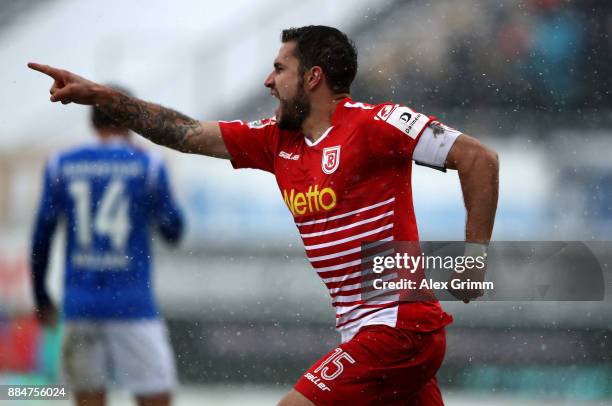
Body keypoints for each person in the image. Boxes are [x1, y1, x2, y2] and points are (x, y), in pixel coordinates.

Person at [29, 25, 498, 405]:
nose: (267, 81)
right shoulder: (277, 140)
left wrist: (472, 260)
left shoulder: (377, 123)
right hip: (370, 330)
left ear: (313, 77)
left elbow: (479, 159)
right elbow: (185, 132)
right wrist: (104, 97)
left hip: (398, 326)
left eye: (279, 68)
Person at [30, 91, 184, 406]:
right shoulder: (147, 164)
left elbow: (41, 236)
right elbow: (173, 230)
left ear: (92, 121)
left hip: (80, 304)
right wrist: (154, 194)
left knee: (88, 399)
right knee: (156, 396)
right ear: (131, 121)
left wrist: (42, 298)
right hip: (132, 305)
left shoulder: (61, 163)